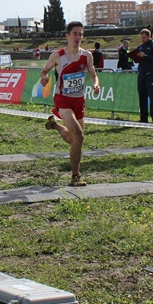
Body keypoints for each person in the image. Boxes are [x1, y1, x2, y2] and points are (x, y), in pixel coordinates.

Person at [39, 21, 100, 186]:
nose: (78, 37)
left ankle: (56, 126)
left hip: (79, 100)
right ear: (67, 36)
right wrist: (44, 77)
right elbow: (44, 71)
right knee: (79, 136)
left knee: (75, 140)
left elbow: (93, 74)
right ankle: (76, 176)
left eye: (81, 34)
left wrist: (95, 84)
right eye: (75, 34)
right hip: (63, 99)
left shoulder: (87, 55)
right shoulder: (58, 55)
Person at [133, 28, 153, 123]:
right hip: (141, 74)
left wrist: (145, 56)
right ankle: (143, 118)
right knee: (142, 96)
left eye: (144, 37)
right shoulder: (140, 47)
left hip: (151, 74)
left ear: (149, 36)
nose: (143, 39)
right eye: (141, 38)